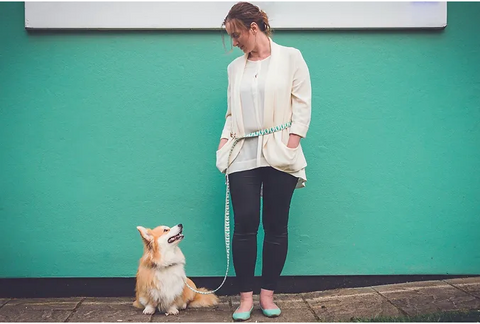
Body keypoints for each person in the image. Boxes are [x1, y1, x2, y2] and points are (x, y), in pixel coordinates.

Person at [215, 1, 312, 321]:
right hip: (242, 153)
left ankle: (267, 295)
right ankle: (245, 299)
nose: (234, 41)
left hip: (279, 151)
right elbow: (232, 112)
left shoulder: (291, 57)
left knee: (276, 225)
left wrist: (292, 141)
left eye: (236, 34)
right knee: (244, 224)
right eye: (231, 36)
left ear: (253, 28)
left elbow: (302, 103)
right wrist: (224, 141)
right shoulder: (234, 68)